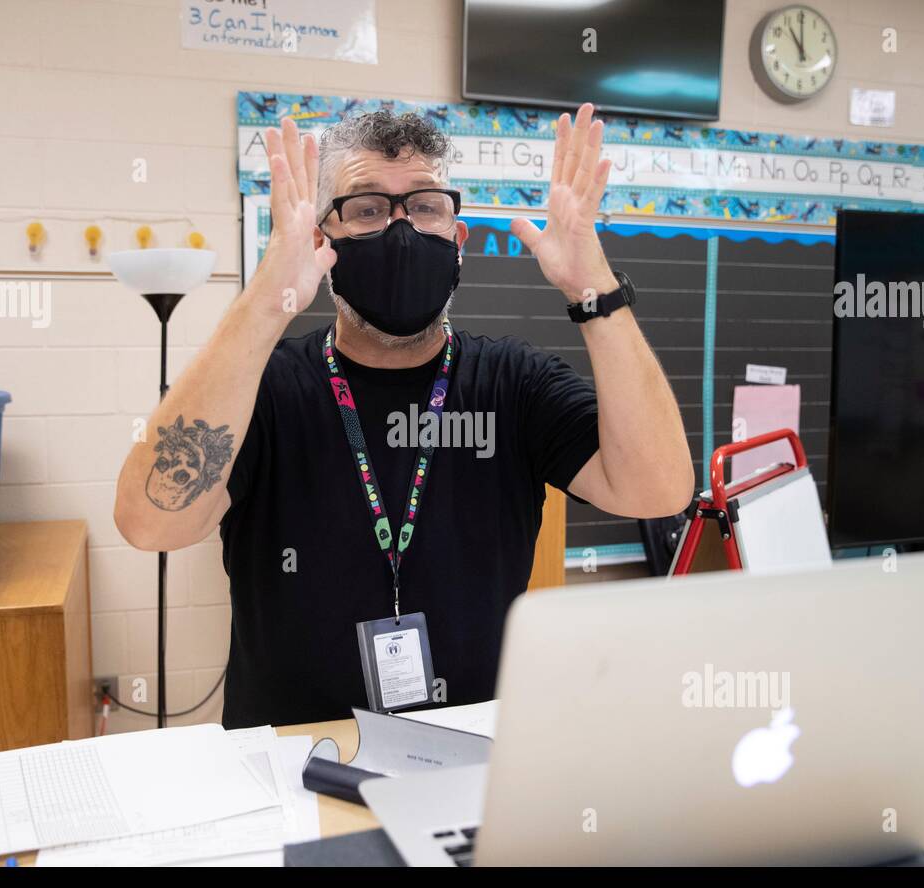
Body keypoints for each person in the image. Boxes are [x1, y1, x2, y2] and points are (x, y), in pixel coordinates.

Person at [114, 103, 693, 727]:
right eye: (365, 209)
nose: (399, 230)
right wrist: (266, 301)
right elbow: (151, 524)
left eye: (424, 207)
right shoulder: (265, 390)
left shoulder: (513, 383)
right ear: (320, 241)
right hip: (294, 759)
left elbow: (659, 490)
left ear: (457, 237)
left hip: (470, 759)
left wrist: (594, 290)